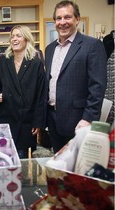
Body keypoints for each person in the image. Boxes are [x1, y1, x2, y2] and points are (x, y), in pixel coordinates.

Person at [45, 0, 107, 153]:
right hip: (53, 119)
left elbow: (97, 86)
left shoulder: (92, 45)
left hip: (78, 120)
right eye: (58, 18)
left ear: (77, 19)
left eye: (67, 17)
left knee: (78, 168)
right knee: (58, 163)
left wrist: (88, 118)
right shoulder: (49, 49)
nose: (62, 22)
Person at [0, 25, 46, 159]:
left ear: (26, 39)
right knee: (3, 158)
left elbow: (41, 94)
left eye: (18, 36)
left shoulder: (36, 63)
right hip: (6, 117)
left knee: (21, 160)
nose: (14, 39)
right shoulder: (3, 61)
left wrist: (38, 122)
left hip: (26, 120)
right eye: (12, 36)